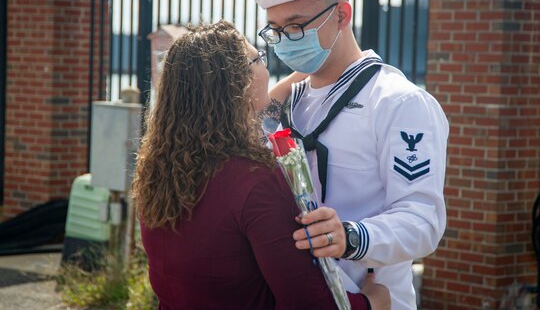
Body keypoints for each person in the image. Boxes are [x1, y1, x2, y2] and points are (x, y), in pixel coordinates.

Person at [132, 21, 390, 310]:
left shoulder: (159, 170)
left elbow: (267, 105)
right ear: (237, 84)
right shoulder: (254, 180)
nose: (266, 68)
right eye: (260, 59)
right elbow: (307, 302)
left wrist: (318, 65)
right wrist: (373, 302)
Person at [248, 0, 449, 309]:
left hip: (377, 299)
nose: (285, 40)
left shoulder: (399, 103)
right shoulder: (287, 103)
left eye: (295, 27)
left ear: (342, 15)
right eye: (275, 30)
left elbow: (423, 221)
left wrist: (352, 236)